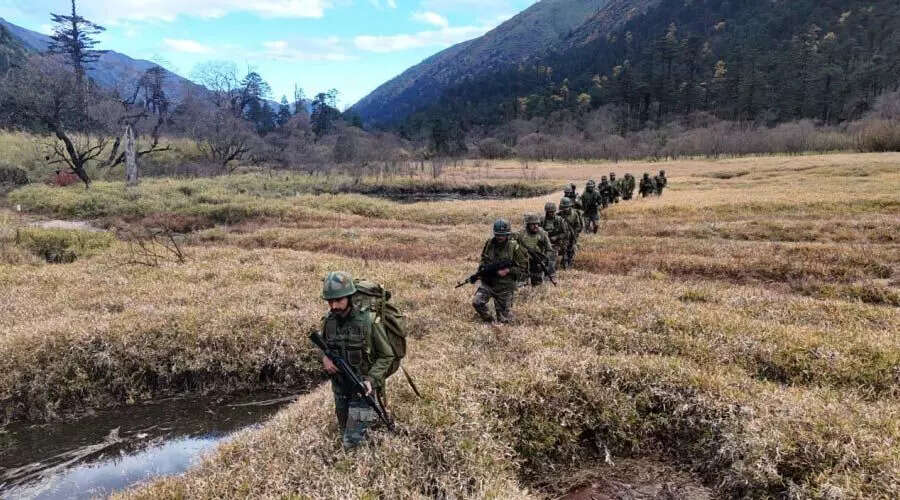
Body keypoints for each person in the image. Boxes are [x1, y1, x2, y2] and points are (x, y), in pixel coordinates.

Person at [320, 271, 395, 449]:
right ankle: (367, 428)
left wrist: (371, 380)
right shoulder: (329, 321)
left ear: (349, 297)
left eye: (338, 300)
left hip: (363, 391)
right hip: (340, 390)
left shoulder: (368, 321)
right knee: (344, 431)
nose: (334, 305)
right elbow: (322, 346)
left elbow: (387, 355)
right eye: (330, 301)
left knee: (351, 443)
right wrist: (324, 358)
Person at [472, 219, 529, 323]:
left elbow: (523, 267)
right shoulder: (489, 243)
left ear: (508, 234)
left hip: (505, 286)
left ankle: (501, 325)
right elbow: (484, 259)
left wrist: (508, 270)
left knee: (504, 320)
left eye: (502, 235)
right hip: (489, 282)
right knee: (477, 302)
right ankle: (490, 322)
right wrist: (482, 270)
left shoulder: (514, 247)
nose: (500, 237)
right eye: (497, 235)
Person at [516, 213, 553, 286]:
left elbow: (549, 249)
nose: (536, 226)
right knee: (522, 284)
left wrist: (544, 260)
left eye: (537, 224)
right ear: (528, 225)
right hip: (524, 261)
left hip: (537, 261)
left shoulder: (542, 233)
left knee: (537, 284)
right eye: (533, 224)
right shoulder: (521, 234)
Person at [541, 202, 572, 275]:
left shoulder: (559, 220)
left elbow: (565, 233)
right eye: (550, 212)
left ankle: (550, 274)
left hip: (556, 243)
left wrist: (556, 237)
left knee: (551, 258)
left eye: (553, 212)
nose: (551, 213)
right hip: (544, 243)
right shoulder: (542, 220)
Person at [558, 197, 583, 268]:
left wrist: (575, 233)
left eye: (566, 207)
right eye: (564, 207)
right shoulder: (559, 214)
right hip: (563, 235)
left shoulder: (574, 214)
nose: (565, 209)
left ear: (570, 206)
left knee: (571, 249)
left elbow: (578, 225)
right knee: (564, 249)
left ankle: (569, 263)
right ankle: (564, 263)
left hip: (572, 234)